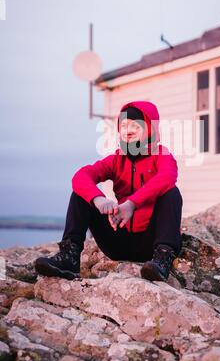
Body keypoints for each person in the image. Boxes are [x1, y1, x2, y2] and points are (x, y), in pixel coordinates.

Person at [34, 100, 183, 282]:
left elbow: (167, 178)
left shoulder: (162, 156)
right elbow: (81, 176)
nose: (128, 131)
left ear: (150, 129)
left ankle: (162, 260)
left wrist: (131, 204)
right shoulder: (116, 159)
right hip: (117, 241)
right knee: (81, 194)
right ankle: (69, 258)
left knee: (172, 192)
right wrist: (99, 199)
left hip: (150, 244)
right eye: (124, 125)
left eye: (136, 126)